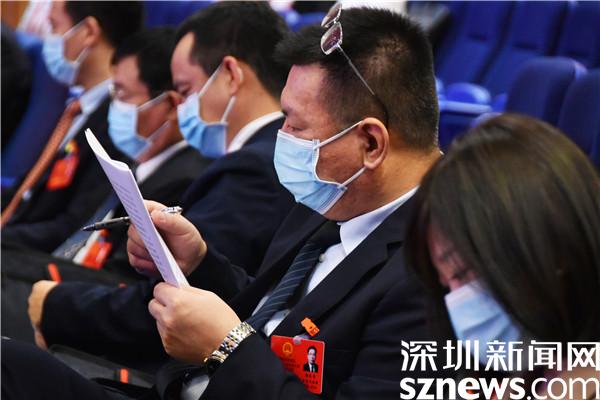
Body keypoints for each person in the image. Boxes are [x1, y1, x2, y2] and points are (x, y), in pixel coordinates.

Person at [3, 6, 444, 399]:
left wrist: (226, 349)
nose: (282, 137)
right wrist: (199, 263)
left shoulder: (437, 272)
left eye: (295, 125)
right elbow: (270, 312)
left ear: (370, 143)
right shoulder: (334, 198)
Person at [24, 2, 295, 366]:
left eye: (186, 90)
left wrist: (55, 307)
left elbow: (181, 300)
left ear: (231, 75)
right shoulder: (257, 159)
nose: (181, 108)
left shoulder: (254, 168)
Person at [1, 27, 212, 343]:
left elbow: (121, 281)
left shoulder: (182, 178)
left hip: (87, 310)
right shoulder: (137, 160)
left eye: (123, 95)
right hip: (65, 277)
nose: (114, 108)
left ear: (170, 104)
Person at [405, 114, 600, 399]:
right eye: (447, 286)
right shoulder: (528, 371)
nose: (458, 306)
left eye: (463, 273)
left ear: (551, 242)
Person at [1, 1, 143, 252]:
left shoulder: (119, 126)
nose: (49, 39)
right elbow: (26, 191)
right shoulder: (76, 106)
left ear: (88, 32)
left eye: (55, 26)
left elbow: (72, 227)